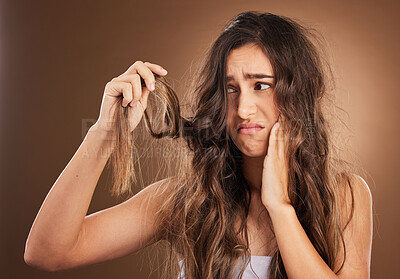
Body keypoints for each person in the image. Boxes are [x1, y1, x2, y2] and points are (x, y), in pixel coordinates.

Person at [24, 11, 373, 279]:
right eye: (230, 88)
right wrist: (105, 131)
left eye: (261, 85)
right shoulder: (187, 201)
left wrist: (279, 207)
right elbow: (47, 252)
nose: (243, 109)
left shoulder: (346, 197)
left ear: (300, 91)